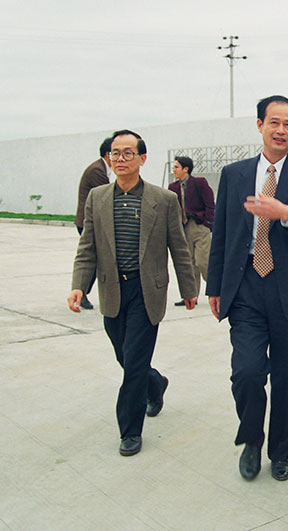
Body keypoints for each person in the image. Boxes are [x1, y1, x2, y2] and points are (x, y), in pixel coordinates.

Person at [206, 95, 288, 482]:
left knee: (286, 381)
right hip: (246, 287)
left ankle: (280, 452)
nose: (281, 130)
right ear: (260, 124)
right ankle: (252, 440)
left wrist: (286, 214)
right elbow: (222, 233)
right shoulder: (235, 174)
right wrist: (215, 285)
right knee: (245, 372)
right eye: (274, 122)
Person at [67, 129, 197, 457]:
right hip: (112, 288)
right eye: (115, 153)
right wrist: (79, 286)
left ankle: (130, 431)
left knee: (134, 361)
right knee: (125, 356)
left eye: (128, 153)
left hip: (146, 290)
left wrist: (188, 288)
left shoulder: (163, 200)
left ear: (142, 158)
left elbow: (179, 248)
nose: (120, 158)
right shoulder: (97, 198)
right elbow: (87, 248)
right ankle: (156, 383)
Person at [168, 156, 215, 306]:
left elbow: (210, 204)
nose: (174, 170)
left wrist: (207, 223)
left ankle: (217, 290)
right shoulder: (173, 188)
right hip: (183, 228)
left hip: (199, 226)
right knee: (189, 263)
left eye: (176, 167)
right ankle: (191, 296)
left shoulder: (199, 183)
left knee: (203, 261)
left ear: (185, 169)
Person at [74, 137, 114, 310]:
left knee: (95, 257)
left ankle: (82, 291)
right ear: (107, 154)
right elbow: (107, 196)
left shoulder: (101, 168)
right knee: (92, 257)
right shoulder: (97, 171)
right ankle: (81, 291)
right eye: (116, 153)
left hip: (88, 219)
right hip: (88, 221)